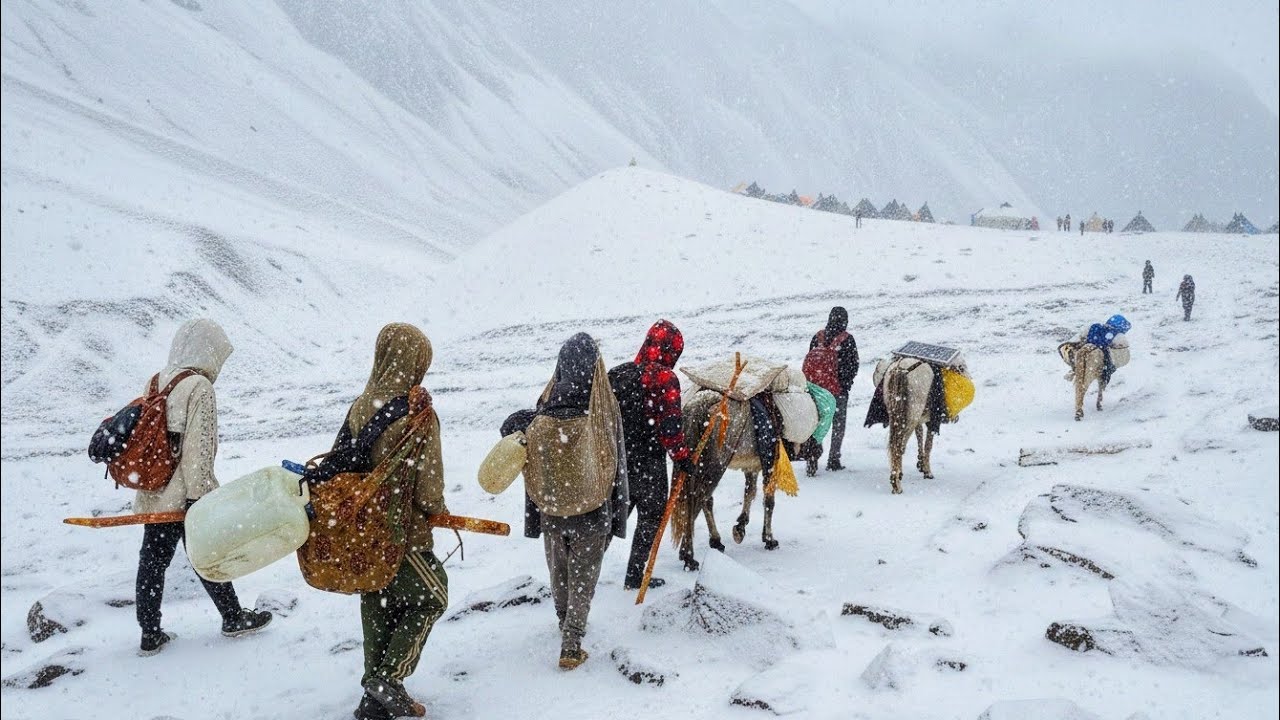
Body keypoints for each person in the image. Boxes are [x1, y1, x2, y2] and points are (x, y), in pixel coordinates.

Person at [328, 323, 449, 720]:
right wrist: (436, 510)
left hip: (360, 530)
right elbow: (429, 489)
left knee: (377, 600)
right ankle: (388, 680)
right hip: (401, 531)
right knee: (432, 597)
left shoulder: (360, 406)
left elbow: (339, 464)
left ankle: (374, 696)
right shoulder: (418, 413)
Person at [133, 319, 272, 656]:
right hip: (184, 494)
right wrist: (200, 496)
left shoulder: (156, 380)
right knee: (207, 555)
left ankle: (149, 632)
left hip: (155, 491)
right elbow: (199, 447)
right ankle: (233, 617)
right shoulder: (198, 387)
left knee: (152, 561)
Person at [513, 333, 627, 670]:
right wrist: (617, 509)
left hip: (551, 506)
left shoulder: (543, 405)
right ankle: (572, 641)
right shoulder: (603, 409)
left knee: (559, 570)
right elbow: (616, 461)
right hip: (591, 509)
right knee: (584, 574)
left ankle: (564, 620)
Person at [608, 320, 694, 591]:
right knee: (650, 518)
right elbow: (670, 426)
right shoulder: (665, 378)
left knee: (612, 518)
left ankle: (585, 569)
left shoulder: (618, 374)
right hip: (650, 463)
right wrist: (681, 456)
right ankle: (635, 577)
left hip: (619, 462)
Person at [806, 307, 860, 472]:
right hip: (837, 391)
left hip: (815, 390)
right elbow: (853, 365)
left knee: (816, 424)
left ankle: (812, 459)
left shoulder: (818, 337)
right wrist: (845, 385)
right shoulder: (847, 339)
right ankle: (833, 460)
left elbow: (809, 358)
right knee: (837, 426)